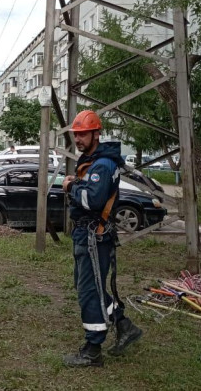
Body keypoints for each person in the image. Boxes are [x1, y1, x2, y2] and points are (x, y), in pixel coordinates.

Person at [61, 110, 142, 367]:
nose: (78, 139)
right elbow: (92, 190)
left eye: (83, 134)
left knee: (88, 291)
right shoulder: (95, 161)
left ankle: (92, 349)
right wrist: (78, 183)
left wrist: (71, 187)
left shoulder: (103, 165)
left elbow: (93, 200)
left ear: (96, 134)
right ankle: (123, 325)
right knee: (89, 286)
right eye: (76, 135)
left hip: (93, 236)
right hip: (88, 234)